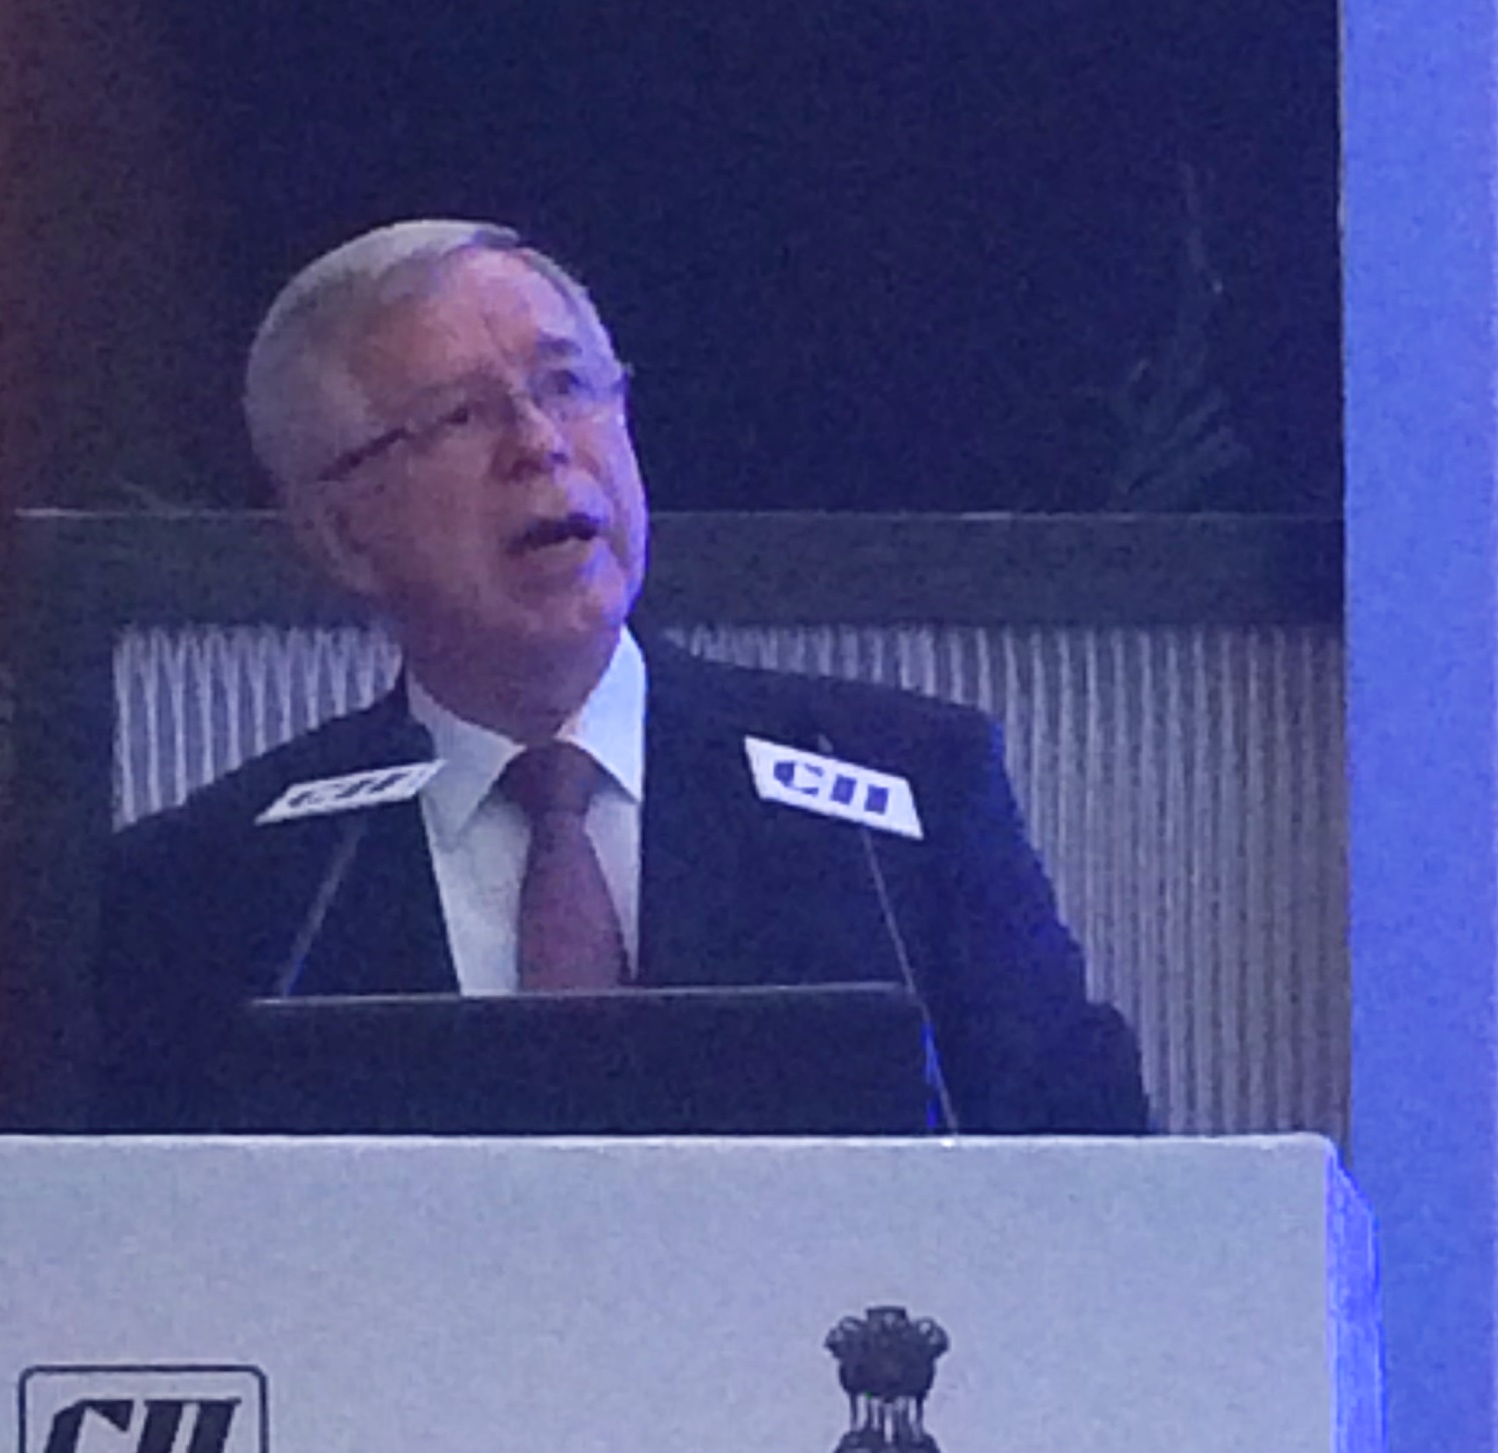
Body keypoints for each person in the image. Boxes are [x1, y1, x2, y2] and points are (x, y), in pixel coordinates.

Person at [94, 218, 1149, 1135]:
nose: (540, 444)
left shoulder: (903, 806)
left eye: (566, 385)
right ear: (341, 534)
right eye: (460, 416)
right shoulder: (217, 892)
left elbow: (1092, 1180)